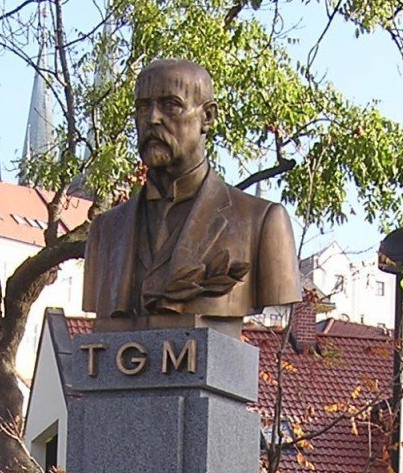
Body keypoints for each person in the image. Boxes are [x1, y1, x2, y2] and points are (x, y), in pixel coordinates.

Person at [83, 58, 301, 324]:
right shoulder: (105, 231)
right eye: (142, 107)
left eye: (170, 105)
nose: (152, 118)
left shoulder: (261, 222)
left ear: (207, 117)